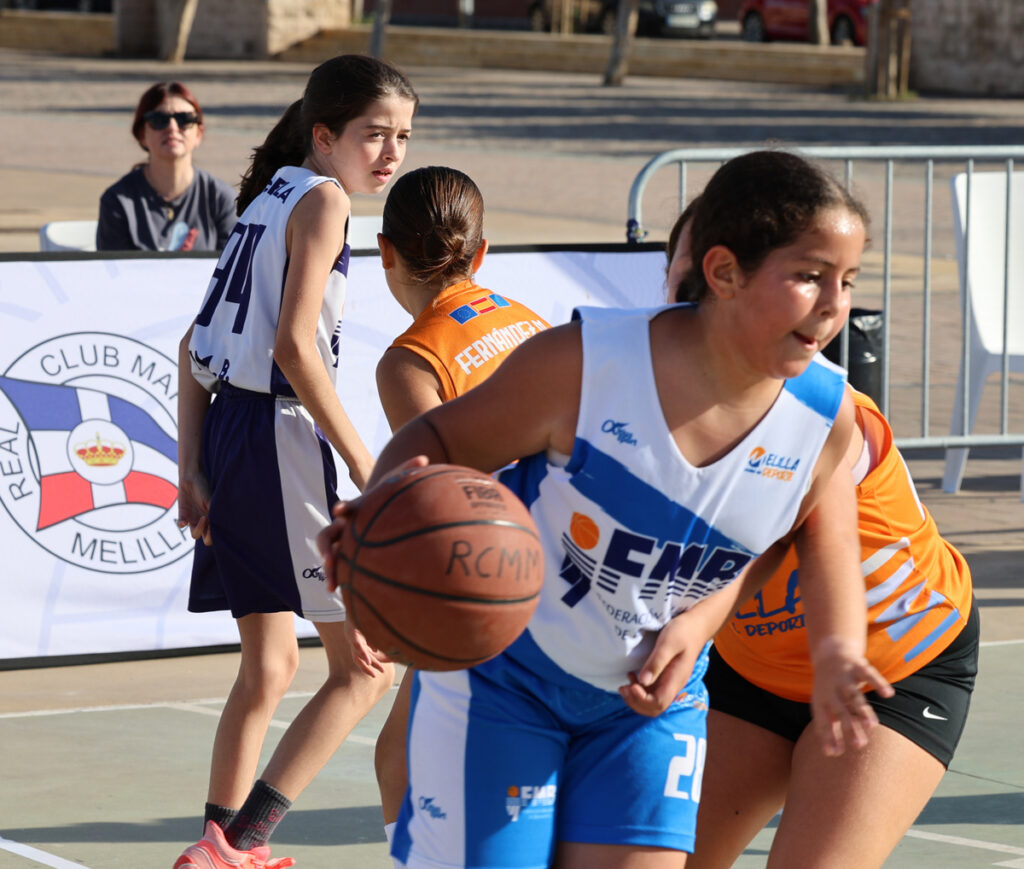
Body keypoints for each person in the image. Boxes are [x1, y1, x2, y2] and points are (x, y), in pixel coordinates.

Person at [320, 149, 893, 869]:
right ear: (722, 272)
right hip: (507, 679)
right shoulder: (588, 363)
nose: (835, 303)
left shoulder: (827, 413)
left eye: (847, 280)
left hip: (649, 705)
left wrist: (815, 644)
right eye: (809, 276)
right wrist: (375, 517)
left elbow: (813, 535)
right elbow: (438, 435)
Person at [663, 229, 978, 867]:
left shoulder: (825, 413)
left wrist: (690, 624)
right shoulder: (628, 381)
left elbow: (781, 543)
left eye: (846, 281)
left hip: (892, 667)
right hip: (751, 667)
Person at [173, 55, 418, 869]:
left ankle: (214, 842)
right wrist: (366, 460)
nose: (390, 152)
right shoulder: (324, 200)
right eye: (373, 134)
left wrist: (191, 467)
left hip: (232, 434)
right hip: (277, 434)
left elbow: (192, 346)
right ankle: (240, 844)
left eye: (404, 137)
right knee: (363, 667)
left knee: (270, 664)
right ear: (326, 135)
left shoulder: (270, 193)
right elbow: (293, 350)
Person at [369, 165, 551, 846]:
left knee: (405, 761)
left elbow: (446, 497)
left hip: (504, 572)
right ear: (480, 252)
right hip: (581, 556)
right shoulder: (526, 318)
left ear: (384, 251)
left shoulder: (410, 362)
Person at [97, 81, 237, 252]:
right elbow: (113, 274)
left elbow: (234, 272)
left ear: (199, 133)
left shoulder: (222, 199)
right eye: (158, 120)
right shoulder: (117, 201)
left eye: (184, 119)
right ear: (141, 134)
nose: (172, 128)